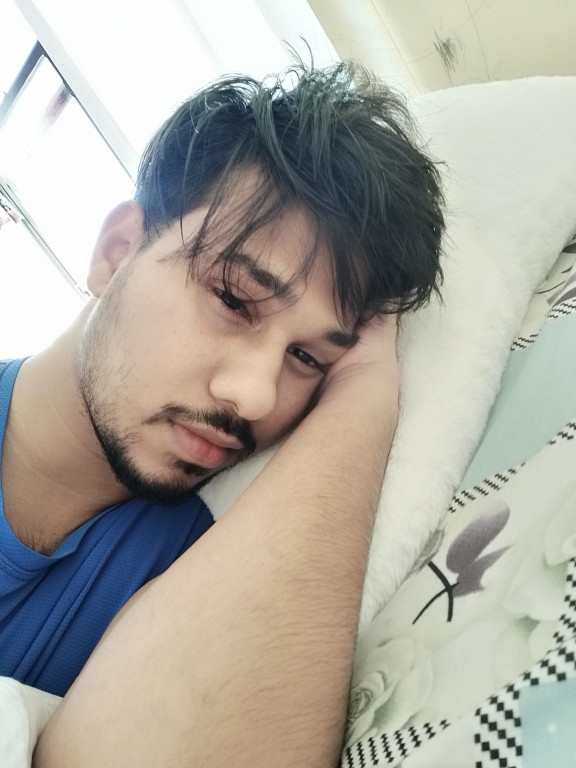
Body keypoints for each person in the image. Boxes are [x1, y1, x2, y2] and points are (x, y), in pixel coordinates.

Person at [1, 62, 444, 766]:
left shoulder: (209, 568)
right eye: (234, 299)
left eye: (307, 358)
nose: (257, 397)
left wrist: (364, 393)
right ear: (117, 253)